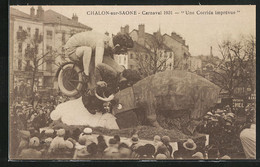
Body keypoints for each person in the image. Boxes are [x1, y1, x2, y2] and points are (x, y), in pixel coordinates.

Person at [64, 31, 134, 81]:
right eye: (120, 51)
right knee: (88, 50)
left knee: (95, 54)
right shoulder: (101, 43)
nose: (119, 53)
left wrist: (119, 69)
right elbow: (98, 66)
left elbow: (111, 60)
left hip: (80, 47)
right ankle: (86, 74)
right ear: (117, 46)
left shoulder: (109, 42)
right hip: (72, 48)